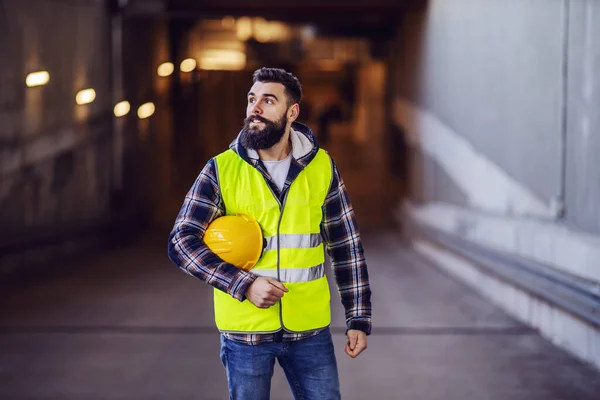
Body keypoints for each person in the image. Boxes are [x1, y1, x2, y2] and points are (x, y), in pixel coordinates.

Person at [168, 67, 372, 400]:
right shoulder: (222, 168)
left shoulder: (322, 167)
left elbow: (346, 246)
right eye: (252, 100)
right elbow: (181, 242)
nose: (255, 108)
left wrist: (358, 317)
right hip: (245, 334)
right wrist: (244, 285)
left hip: (309, 330)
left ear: (292, 112)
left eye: (268, 100)